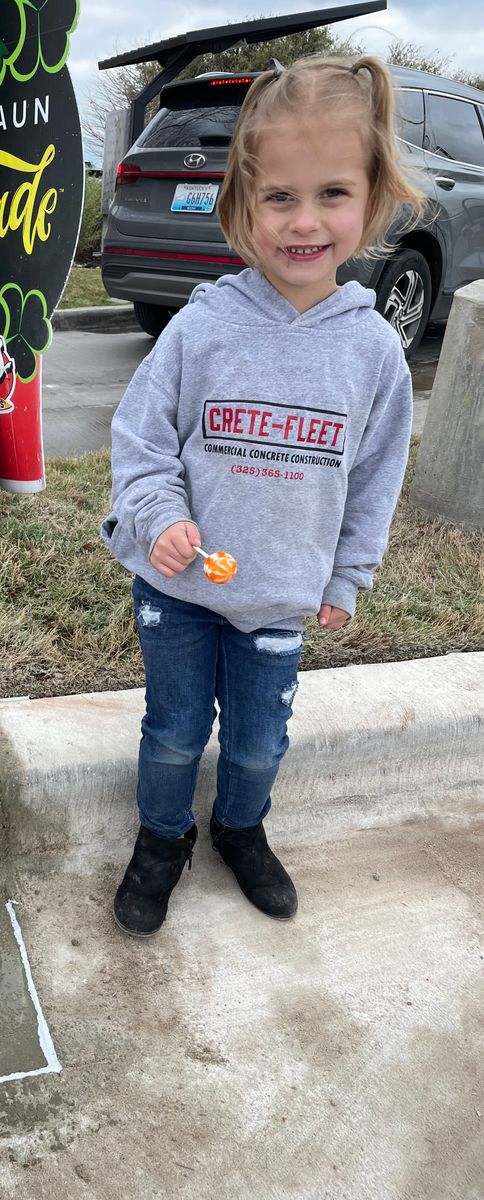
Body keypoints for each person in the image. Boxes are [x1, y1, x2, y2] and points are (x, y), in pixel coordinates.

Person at [101, 56, 427, 936]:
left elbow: (374, 481)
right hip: (179, 592)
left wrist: (346, 577)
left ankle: (240, 829)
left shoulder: (372, 356)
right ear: (242, 203)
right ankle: (161, 838)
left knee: (257, 742)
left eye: (332, 192)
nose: (305, 221)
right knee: (173, 732)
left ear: (373, 198)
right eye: (279, 197)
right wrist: (160, 519)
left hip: (283, 595)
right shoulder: (201, 326)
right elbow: (139, 443)